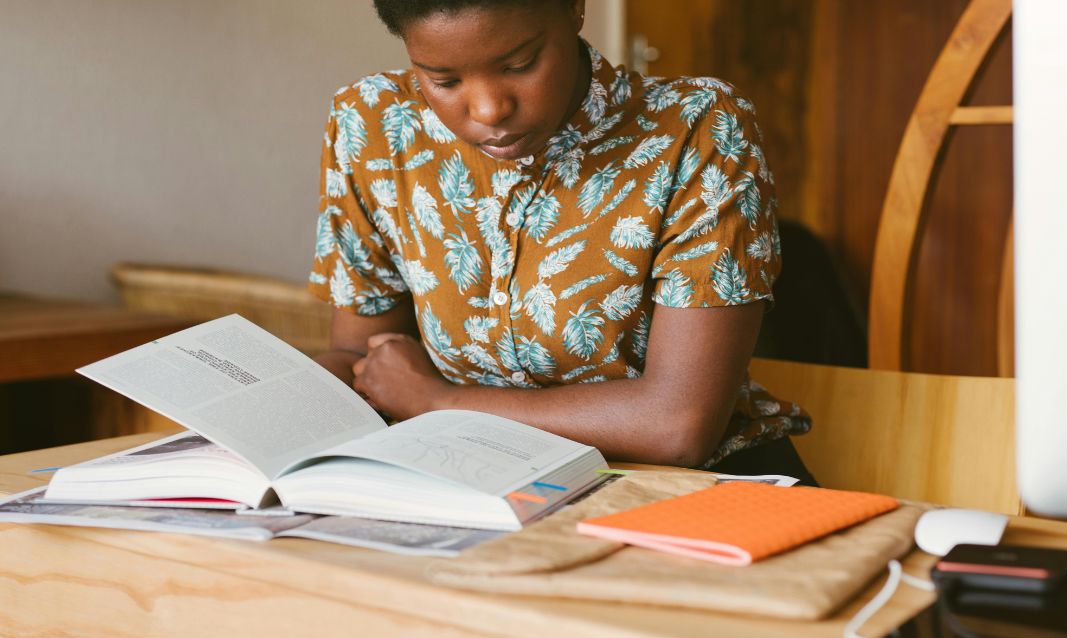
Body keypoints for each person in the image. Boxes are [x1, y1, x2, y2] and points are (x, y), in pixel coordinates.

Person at [308, 0, 816, 482]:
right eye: (443, 80)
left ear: (575, 6)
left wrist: (437, 402)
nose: (488, 109)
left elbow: (679, 426)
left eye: (519, 65)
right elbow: (366, 359)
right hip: (470, 481)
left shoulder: (697, 128)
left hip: (692, 488)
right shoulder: (374, 124)